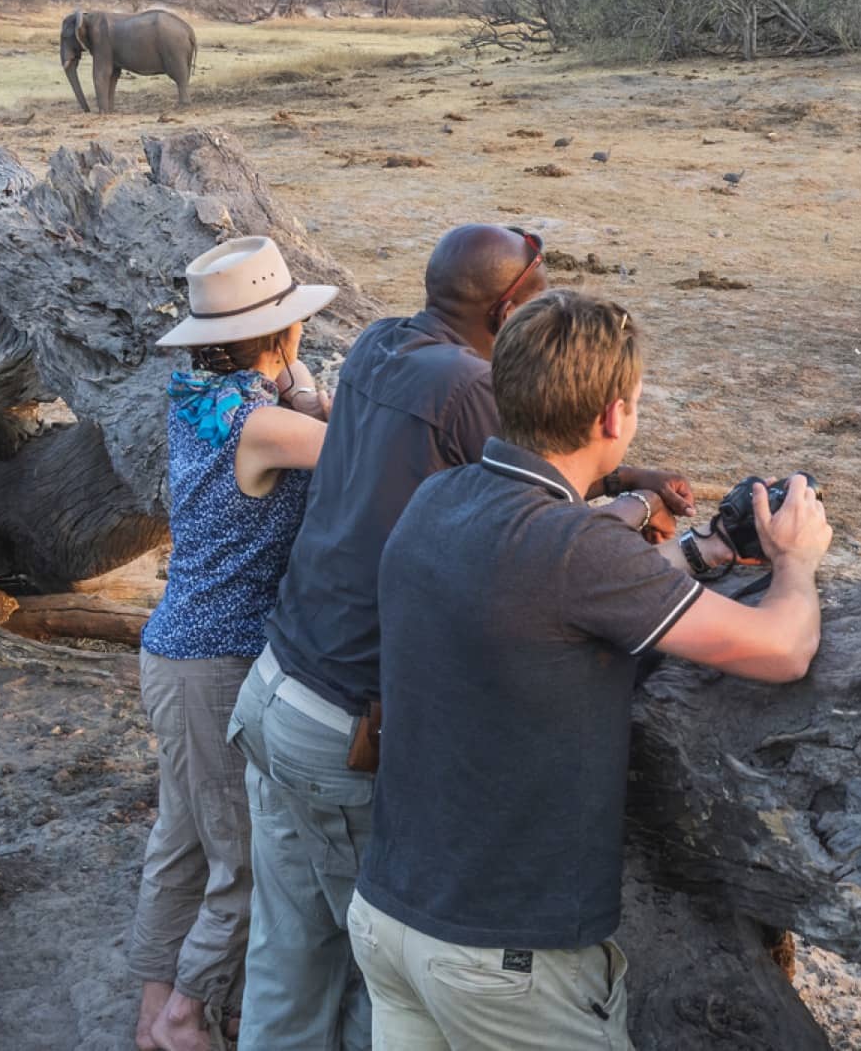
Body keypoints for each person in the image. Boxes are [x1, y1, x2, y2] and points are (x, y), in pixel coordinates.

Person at [229, 225, 703, 1050]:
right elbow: (538, 502)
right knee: (389, 983)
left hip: (275, 687)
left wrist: (626, 478)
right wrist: (632, 505)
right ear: (512, 306)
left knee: (289, 958)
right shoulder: (470, 382)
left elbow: (496, 445)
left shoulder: (382, 345)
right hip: (347, 725)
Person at [348, 290, 832, 1050]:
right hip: (503, 960)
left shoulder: (441, 497)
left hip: (391, 918)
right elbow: (783, 646)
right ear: (614, 417)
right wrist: (796, 563)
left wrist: (703, 551)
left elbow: (558, 594)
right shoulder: (577, 551)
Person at [130, 236, 337, 1051]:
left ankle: (151, 1013)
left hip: (175, 651)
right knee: (242, 859)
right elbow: (365, 451)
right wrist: (310, 384)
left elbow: (295, 413)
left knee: (181, 843)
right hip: (217, 664)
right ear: (283, 336)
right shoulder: (263, 426)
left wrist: (293, 379)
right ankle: (188, 1016)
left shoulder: (196, 397)